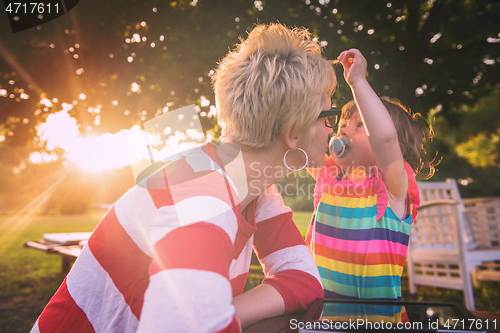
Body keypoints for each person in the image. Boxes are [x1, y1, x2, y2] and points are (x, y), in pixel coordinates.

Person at [31, 23, 337, 333]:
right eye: (328, 117)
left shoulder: (256, 189)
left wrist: (228, 315)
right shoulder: (202, 201)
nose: (332, 130)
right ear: (294, 131)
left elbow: (305, 280)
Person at [306, 49, 436, 301]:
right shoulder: (330, 178)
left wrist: (358, 82)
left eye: (360, 123)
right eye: (344, 122)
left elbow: (384, 140)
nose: (343, 127)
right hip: (322, 312)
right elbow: (305, 141)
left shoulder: (392, 189)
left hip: (375, 319)